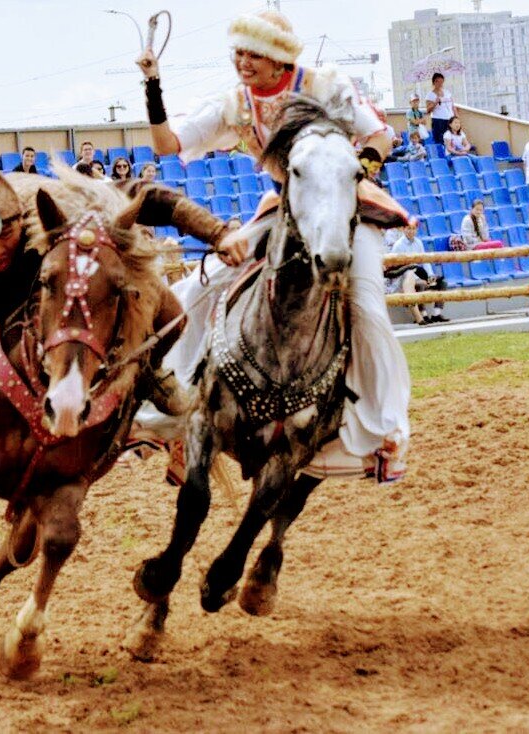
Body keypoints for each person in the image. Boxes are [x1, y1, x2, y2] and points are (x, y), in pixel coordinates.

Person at [135, 8, 410, 481]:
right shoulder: (236, 105)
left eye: (253, 54)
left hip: (347, 207)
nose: (243, 62)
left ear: (280, 59)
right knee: (199, 292)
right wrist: (152, 86)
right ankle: (173, 413)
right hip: (284, 210)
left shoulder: (324, 87)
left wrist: (353, 172)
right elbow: (167, 144)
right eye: (238, 52)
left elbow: (381, 135)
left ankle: (385, 434)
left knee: (365, 303)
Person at [0, 139, 229, 488]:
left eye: (7, 234)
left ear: (22, 220)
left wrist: (217, 232)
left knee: (172, 313)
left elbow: (150, 196)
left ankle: (149, 372)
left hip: (53, 273)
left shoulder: (64, 208)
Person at [387, 224, 448, 325]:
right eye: (409, 229)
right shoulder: (398, 245)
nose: (411, 231)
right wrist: (420, 279)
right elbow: (399, 269)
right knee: (421, 285)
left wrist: (430, 275)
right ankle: (423, 315)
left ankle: (436, 314)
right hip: (405, 279)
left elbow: (425, 261)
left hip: (418, 274)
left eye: (413, 229)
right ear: (403, 229)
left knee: (442, 283)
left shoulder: (418, 242)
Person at [425, 72, 455, 146]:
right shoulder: (430, 95)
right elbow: (428, 110)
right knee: (440, 140)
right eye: (439, 81)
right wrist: (435, 102)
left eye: (442, 81)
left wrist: (456, 117)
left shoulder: (447, 92)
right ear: (434, 82)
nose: (441, 84)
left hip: (449, 119)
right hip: (438, 120)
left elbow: (452, 105)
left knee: (451, 139)